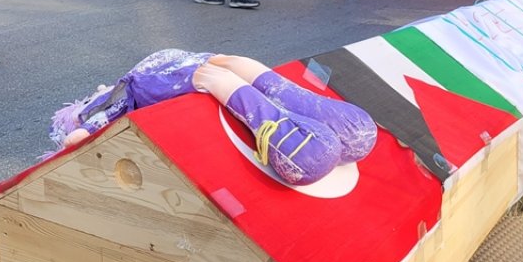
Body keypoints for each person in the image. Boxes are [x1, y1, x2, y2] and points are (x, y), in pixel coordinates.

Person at [51, 50, 376, 187]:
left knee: (348, 135)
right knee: (351, 134)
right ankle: (245, 86)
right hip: (212, 72)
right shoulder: (132, 91)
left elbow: (81, 131)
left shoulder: (133, 88)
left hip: (206, 73)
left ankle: (244, 86)